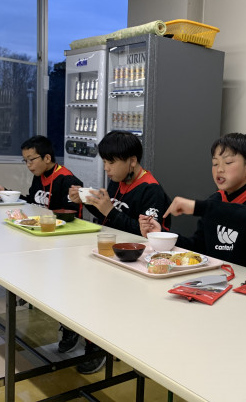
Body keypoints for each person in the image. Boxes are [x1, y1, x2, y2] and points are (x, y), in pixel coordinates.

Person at [139, 132, 246, 402]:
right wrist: (162, 235)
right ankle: (207, 389)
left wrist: (198, 206)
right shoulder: (216, 200)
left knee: (239, 345)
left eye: (228, 162)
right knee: (180, 319)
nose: (219, 169)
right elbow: (199, 247)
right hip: (219, 284)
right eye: (215, 163)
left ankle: (234, 398)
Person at [66, 130, 171, 374]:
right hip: (113, 256)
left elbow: (147, 237)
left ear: (132, 161)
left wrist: (109, 211)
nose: (106, 169)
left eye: (111, 162)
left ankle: (98, 346)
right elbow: (111, 220)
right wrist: (88, 203)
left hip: (137, 264)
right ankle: (81, 332)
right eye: (104, 162)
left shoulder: (151, 190)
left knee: (98, 295)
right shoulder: (118, 182)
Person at [0, 135, 82, 213]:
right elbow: (31, 202)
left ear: (47, 158)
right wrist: (5, 192)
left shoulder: (67, 180)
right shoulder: (39, 175)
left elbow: (71, 215)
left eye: (31, 160)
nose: (28, 165)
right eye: (25, 160)